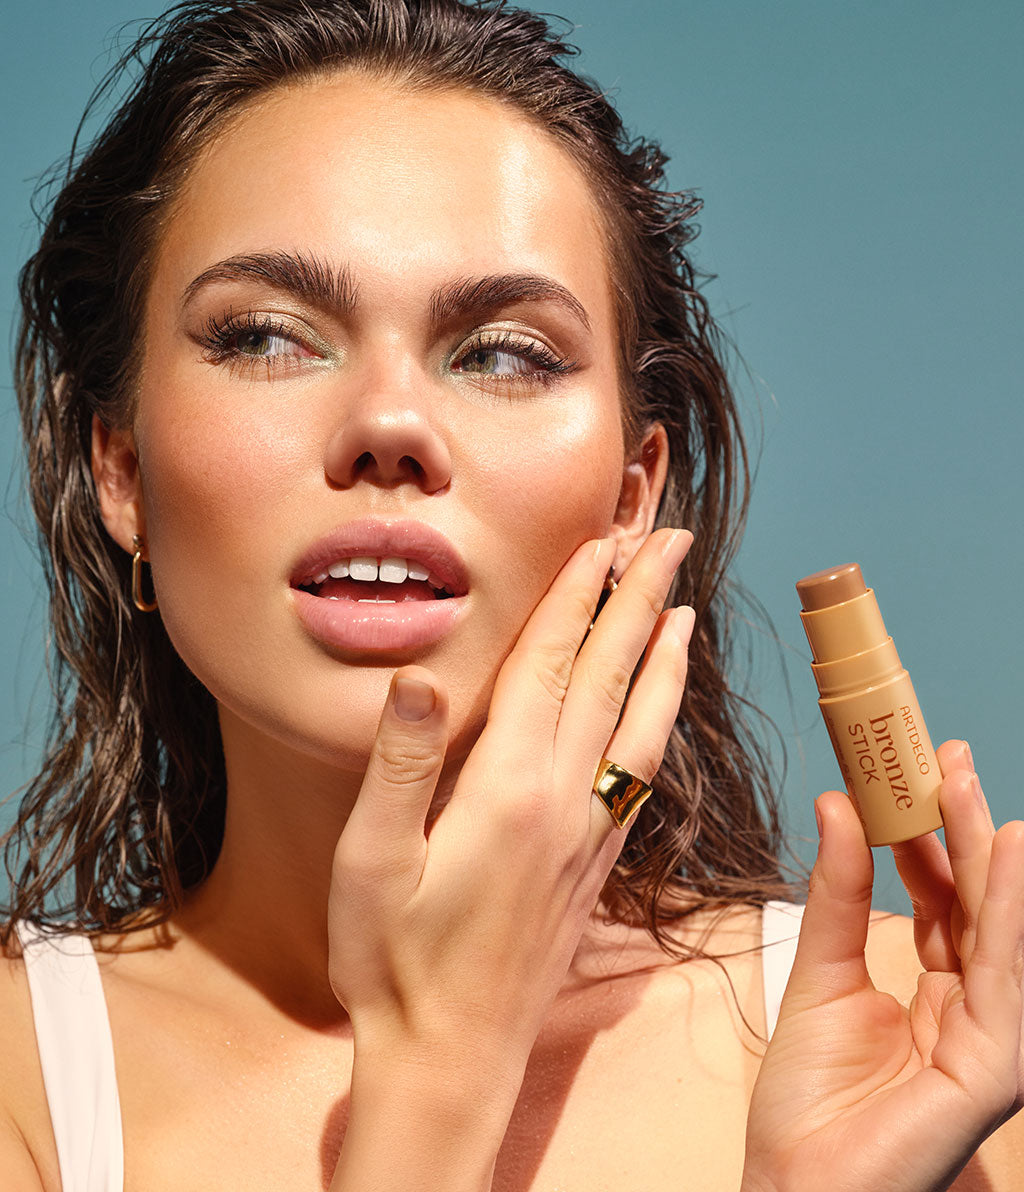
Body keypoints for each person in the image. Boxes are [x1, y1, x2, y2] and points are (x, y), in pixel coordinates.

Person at [1, 2, 1021, 1189]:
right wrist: (439, 1068)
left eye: (501, 352)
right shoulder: (23, 1076)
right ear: (119, 467)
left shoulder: (931, 1060)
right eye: (270, 336)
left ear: (632, 495)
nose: (388, 426)